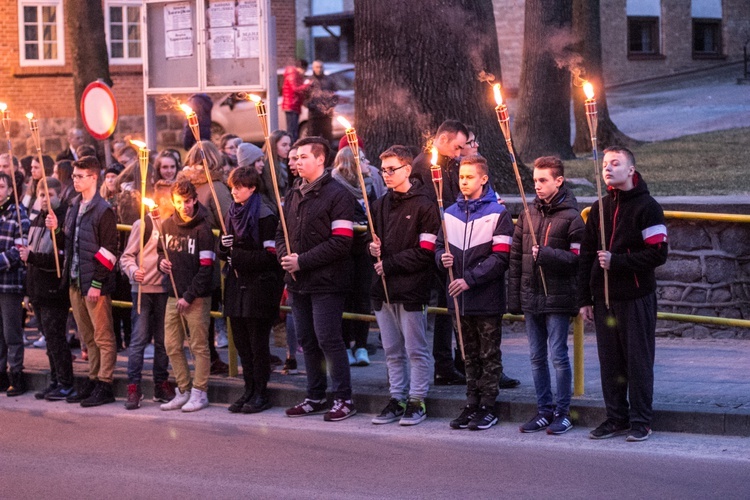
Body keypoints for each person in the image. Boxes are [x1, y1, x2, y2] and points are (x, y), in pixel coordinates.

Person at [578, 146, 668, 442]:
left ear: (631, 170)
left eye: (615, 163)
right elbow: (587, 256)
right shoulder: (599, 208)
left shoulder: (648, 207)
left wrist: (618, 261)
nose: (607, 168)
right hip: (605, 299)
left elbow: (657, 254)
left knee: (638, 360)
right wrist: (585, 299)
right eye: (605, 163)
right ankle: (616, 417)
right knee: (610, 361)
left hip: (636, 297)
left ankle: (641, 420)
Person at [278, 137, 357, 421]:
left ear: (320, 159)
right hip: (297, 281)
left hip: (327, 280)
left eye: (303, 157)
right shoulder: (294, 192)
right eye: (295, 158)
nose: (297, 162)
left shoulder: (338, 195)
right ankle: (315, 395)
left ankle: (343, 398)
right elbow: (281, 232)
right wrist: (284, 257)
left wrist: (303, 260)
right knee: (307, 340)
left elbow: (341, 241)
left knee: (328, 338)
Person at [435, 155, 513, 431]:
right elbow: (437, 246)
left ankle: (488, 405)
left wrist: (469, 279)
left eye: (469, 177)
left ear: (483, 179)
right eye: (461, 177)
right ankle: (472, 402)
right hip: (459, 299)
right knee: (467, 354)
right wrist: (441, 257)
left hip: (485, 297)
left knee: (488, 354)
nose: (464, 181)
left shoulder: (497, 213)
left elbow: (500, 258)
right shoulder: (449, 213)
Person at [508, 156, 584, 435]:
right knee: (536, 356)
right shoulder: (529, 214)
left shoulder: (572, 217)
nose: (537, 186)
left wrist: (548, 254)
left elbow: (578, 258)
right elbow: (516, 259)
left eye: (543, 180)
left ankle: (563, 413)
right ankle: (544, 409)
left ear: (558, 181)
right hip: (532, 296)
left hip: (558, 297)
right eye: (535, 181)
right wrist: (515, 299)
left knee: (558, 356)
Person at [368, 145, 439, 426]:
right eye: (383, 169)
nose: (386, 174)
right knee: (391, 350)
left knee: (415, 349)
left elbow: (425, 250)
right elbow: (372, 243)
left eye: (391, 169)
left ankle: (417, 399)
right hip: (382, 288)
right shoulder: (379, 204)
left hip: (411, 288)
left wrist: (390, 264)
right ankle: (396, 397)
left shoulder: (424, 205)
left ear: (407, 169)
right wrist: (371, 249)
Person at [51, 156, 119, 407]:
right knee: (87, 336)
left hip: (93, 283)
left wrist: (98, 283)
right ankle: (92, 378)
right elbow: (68, 241)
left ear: (93, 177)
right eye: (74, 176)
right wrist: (57, 229)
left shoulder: (104, 210)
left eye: (80, 176)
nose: (74, 180)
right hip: (75, 280)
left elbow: (110, 250)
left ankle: (105, 382)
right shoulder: (73, 205)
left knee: (103, 336)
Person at [220, 166, 284, 414]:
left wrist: (238, 256)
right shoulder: (232, 212)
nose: (234, 191)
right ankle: (248, 389)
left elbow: (270, 256)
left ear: (253, 188)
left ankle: (261, 392)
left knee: (258, 344)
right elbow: (225, 252)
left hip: (260, 287)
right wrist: (223, 247)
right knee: (242, 343)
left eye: (239, 187)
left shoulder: (265, 215)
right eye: (232, 186)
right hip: (237, 286)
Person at [412, 120, 469, 386]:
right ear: (443, 140)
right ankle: (442, 363)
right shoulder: (424, 167)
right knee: (442, 308)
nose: (459, 153)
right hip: (433, 245)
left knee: (449, 307)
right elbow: (429, 208)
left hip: (449, 242)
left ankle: (451, 362)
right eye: (456, 147)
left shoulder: (450, 165)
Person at [158, 179, 216, 412]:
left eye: (188, 201)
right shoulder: (166, 225)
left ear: (194, 200)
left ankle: (200, 392)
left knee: (199, 346)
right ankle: (183, 389)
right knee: (171, 344)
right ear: (173, 201)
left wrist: (189, 296)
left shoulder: (203, 228)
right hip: (173, 294)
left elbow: (206, 267)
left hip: (197, 296)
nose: (184, 206)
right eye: (180, 202)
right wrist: (162, 262)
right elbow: (161, 250)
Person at [20, 177, 75, 401]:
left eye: (50, 195)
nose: (45, 199)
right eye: (42, 195)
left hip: (54, 291)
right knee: (49, 340)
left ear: (58, 195)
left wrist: (57, 231)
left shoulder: (62, 219)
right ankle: (54, 380)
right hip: (37, 289)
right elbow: (30, 254)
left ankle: (66, 382)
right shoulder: (36, 220)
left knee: (56, 339)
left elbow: (61, 258)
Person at [119, 182, 173, 410]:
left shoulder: (175, 225)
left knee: (163, 342)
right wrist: (134, 271)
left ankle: (161, 383)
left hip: (165, 291)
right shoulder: (143, 224)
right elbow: (126, 257)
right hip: (142, 290)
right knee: (139, 340)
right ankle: (134, 387)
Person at [180, 141, 231, 370]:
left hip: (187, 253)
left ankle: (203, 357)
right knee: (212, 309)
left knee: (200, 310)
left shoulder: (183, 186)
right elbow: (230, 220)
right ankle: (210, 359)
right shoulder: (216, 186)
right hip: (212, 255)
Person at [331, 145, 377, 366]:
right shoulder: (336, 188)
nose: (368, 165)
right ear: (352, 165)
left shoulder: (369, 187)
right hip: (345, 251)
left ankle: (361, 344)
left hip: (365, 251)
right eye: (363, 160)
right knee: (345, 297)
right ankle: (346, 343)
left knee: (362, 297)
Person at [0, 172, 30, 395]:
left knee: (12, 333)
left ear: (10, 190)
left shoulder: (19, 214)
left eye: (1, 187)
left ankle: (16, 376)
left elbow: (20, 249)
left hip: (10, 283)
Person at [307, 60, 338, 143]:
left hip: (326, 115)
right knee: (313, 138)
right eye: (317, 67)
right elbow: (304, 96)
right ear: (313, 68)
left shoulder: (329, 80)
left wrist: (331, 106)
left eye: (321, 67)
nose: (319, 69)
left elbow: (335, 95)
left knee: (328, 138)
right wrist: (310, 105)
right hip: (314, 115)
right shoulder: (309, 81)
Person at [281, 59, 310, 142]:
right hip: (291, 105)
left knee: (293, 129)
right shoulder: (293, 75)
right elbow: (295, 89)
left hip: (294, 105)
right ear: (301, 68)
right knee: (292, 130)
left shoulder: (295, 75)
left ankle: (292, 145)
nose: (304, 73)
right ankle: (291, 146)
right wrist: (306, 85)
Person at [262, 130, 291, 199]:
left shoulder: (289, 163)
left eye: (289, 145)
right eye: (284, 145)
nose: (288, 148)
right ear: (274, 146)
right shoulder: (269, 166)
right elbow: (272, 193)